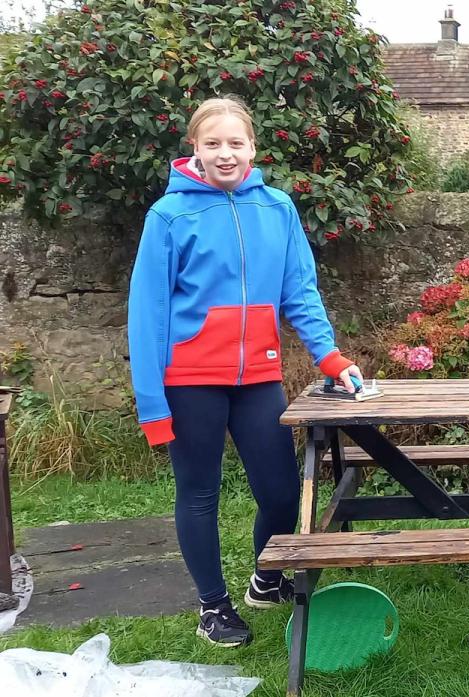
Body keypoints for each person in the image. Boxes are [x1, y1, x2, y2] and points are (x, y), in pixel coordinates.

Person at [127, 96, 363, 645]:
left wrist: (329, 356)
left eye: (236, 143)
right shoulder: (168, 216)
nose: (225, 154)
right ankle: (213, 606)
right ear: (195, 149)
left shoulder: (277, 207)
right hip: (189, 383)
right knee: (199, 494)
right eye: (213, 144)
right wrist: (152, 405)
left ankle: (266, 579)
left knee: (282, 492)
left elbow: (299, 291)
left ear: (253, 148)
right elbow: (147, 314)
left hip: (259, 379)